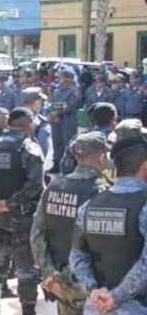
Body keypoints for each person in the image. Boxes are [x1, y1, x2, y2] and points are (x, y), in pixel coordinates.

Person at [31, 131, 110, 315]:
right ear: (101, 158)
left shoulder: (54, 187)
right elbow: (97, 242)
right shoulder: (101, 191)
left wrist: (50, 272)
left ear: (76, 156)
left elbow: (36, 234)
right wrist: (64, 276)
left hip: (59, 285)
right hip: (88, 284)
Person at [69, 135, 147, 315]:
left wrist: (94, 290)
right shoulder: (143, 205)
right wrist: (115, 297)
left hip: (96, 307)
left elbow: (77, 255)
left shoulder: (89, 206)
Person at [0, 108, 44, 315]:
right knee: (25, 264)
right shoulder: (30, 148)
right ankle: (28, 308)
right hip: (22, 216)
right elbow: (35, 184)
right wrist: (11, 203)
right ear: (29, 125)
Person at [59, 103, 117, 176]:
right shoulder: (119, 138)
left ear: (93, 120)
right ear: (113, 120)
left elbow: (64, 166)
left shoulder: (79, 138)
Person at [50, 70, 82, 173]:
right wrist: (53, 114)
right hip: (56, 120)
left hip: (68, 119)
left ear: (68, 79)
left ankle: (69, 165)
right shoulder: (56, 91)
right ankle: (56, 164)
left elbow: (73, 107)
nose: (58, 79)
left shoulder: (73, 91)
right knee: (56, 142)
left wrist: (58, 113)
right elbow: (53, 104)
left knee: (67, 143)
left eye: (61, 77)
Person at [22, 87, 54, 171]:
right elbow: (43, 150)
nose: (42, 104)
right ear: (37, 102)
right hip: (32, 167)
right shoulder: (41, 122)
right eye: (41, 102)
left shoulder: (12, 118)